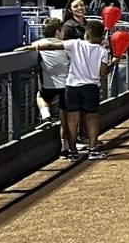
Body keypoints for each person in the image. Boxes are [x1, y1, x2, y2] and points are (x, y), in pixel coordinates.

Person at [28, 17, 118, 160]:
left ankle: (72, 151)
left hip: (72, 87)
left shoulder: (75, 44)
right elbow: (103, 72)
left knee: (72, 120)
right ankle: (93, 149)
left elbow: (52, 46)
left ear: (86, 34)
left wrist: (33, 47)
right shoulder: (102, 51)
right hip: (91, 87)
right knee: (92, 118)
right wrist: (114, 61)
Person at [34, 13, 71, 140]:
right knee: (65, 119)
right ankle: (65, 148)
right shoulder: (66, 46)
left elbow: (22, 50)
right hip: (67, 86)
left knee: (40, 96)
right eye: (62, 31)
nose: (64, 34)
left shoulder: (37, 44)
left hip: (49, 85)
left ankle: (45, 116)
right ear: (57, 32)